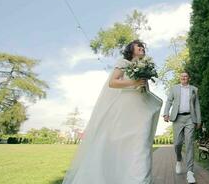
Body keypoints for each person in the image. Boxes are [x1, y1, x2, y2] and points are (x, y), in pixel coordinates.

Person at [62, 40, 163, 184]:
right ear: (130, 49)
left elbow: (145, 89)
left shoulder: (146, 67)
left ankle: (141, 180)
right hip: (125, 110)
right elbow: (113, 82)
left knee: (142, 146)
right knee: (121, 147)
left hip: (141, 111)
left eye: (143, 46)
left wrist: (144, 85)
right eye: (138, 45)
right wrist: (134, 83)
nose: (141, 47)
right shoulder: (123, 63)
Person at [162, 71, 202, 183]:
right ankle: (179, 160)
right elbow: (169, 101)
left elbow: (197, 105)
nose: (184, 77)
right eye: (182, 76)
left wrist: (199, 120)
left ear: (189, 78)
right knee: (177, 143)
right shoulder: (174, 88)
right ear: (180, 78)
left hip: (190, 118)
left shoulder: (194, 89)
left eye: (186, 76)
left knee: (189, 143)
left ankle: (190, 172)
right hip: (177, 118)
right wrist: (166, 113)